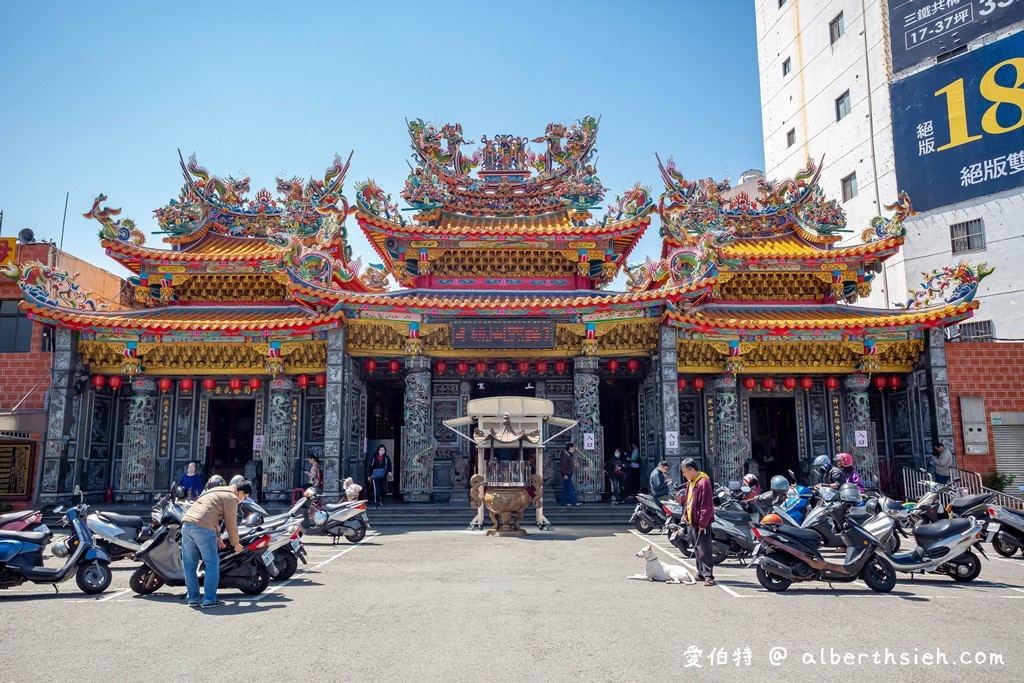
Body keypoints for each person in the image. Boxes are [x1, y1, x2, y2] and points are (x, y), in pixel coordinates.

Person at [180, 479, 248, 608]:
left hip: (186, 524)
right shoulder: (231, 497)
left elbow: (209, 513)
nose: (242, 499)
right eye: (244, 496)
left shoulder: (214, 491)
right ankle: (209, 600)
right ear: (240, 492)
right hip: (203, 529)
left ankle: (193, 599)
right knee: (212, 563)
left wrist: (218, 537)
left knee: (189, 566)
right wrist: (236, 543)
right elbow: (231, 523)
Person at [681, 458, 715, 587]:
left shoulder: (703, 482)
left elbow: (706, 505)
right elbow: (688, 501)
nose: (684, 475)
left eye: (685, 472)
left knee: (704, 549)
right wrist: (685, 515)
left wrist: (703, 523)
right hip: (691, 520)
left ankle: (708, 576)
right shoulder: (691, 482)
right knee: (696, 548)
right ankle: (700, 572)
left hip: (701, 523)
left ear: (693, 470)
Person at [560, 442, 582, 507]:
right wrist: (564, 474)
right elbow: (562, 466)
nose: (574, 449)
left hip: (568, 473)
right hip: (567, 474)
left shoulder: (569, 455)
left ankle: (563, 502)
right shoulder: (565, 455)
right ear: (570, 448)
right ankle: (574, 502)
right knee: (571, 488)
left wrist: (573, 465)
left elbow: (568, 465)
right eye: (573, 447)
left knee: (566, 489)